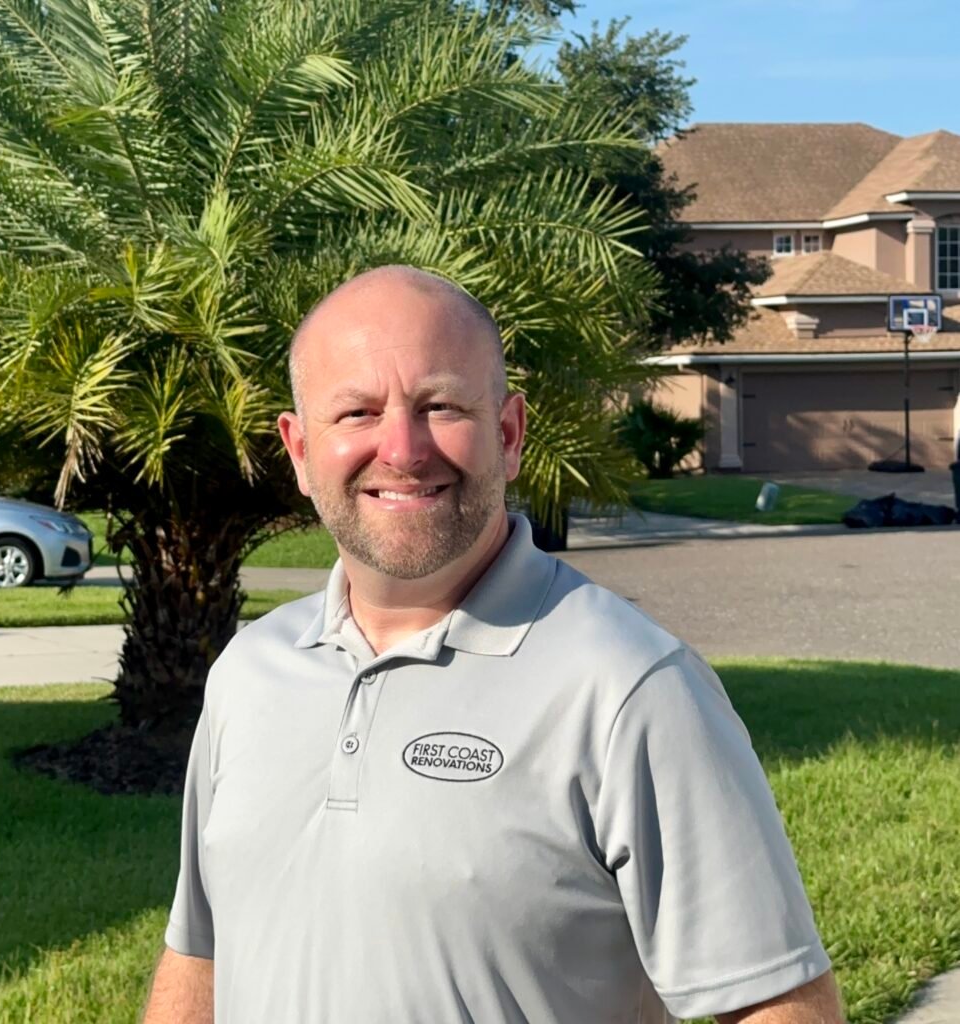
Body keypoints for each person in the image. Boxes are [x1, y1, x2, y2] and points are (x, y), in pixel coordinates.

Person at [142, 266, 843, 1024]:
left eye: (439, 405)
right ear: (300, 449)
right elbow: (203, 952)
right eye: (356, 412)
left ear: (507, 435)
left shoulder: (627, 686)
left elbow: (777, 1004)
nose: (402, 449)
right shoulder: (250, 673)